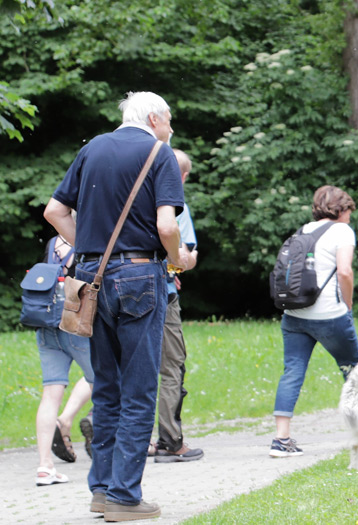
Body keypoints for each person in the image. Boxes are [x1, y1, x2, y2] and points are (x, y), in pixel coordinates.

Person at [44, 91, 192, 521]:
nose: (171, 128)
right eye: (169, 120)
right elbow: (167, 224)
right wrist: (178, 257)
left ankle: (102, 492)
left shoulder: (92, 148)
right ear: (152, 118)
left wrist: (89, 248)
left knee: (106, 389)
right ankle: (125, 499)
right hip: (139, 277)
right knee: (140, 389)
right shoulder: (158, 153)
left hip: (89, 279)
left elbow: (55, 210)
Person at [272, 185, 358, 458]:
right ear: (341, 209)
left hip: (294, 314)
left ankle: (281, 439)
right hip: (329, 315)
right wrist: (348, 303)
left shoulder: (303, 230)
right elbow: (345, 271)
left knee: (292, 371)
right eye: (348, 210)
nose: (349, 216)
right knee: (355, 370)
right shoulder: (342, 231)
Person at [148, 149, 203, 463]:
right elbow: (182, 256)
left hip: (119, 287)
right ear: (180, 176)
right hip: (162, 293)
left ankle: (106, 424)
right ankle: (170, 441)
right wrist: (181, 265)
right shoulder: (174, 203)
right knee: (172, 366)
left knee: (126, 362)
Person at [33, 234, 94, 486]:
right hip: (74, 323)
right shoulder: (86, 241)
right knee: (105, 378)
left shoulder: (52, 243)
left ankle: (45, 466)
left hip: (46, 325)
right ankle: (106, 449)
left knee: (50, 394)